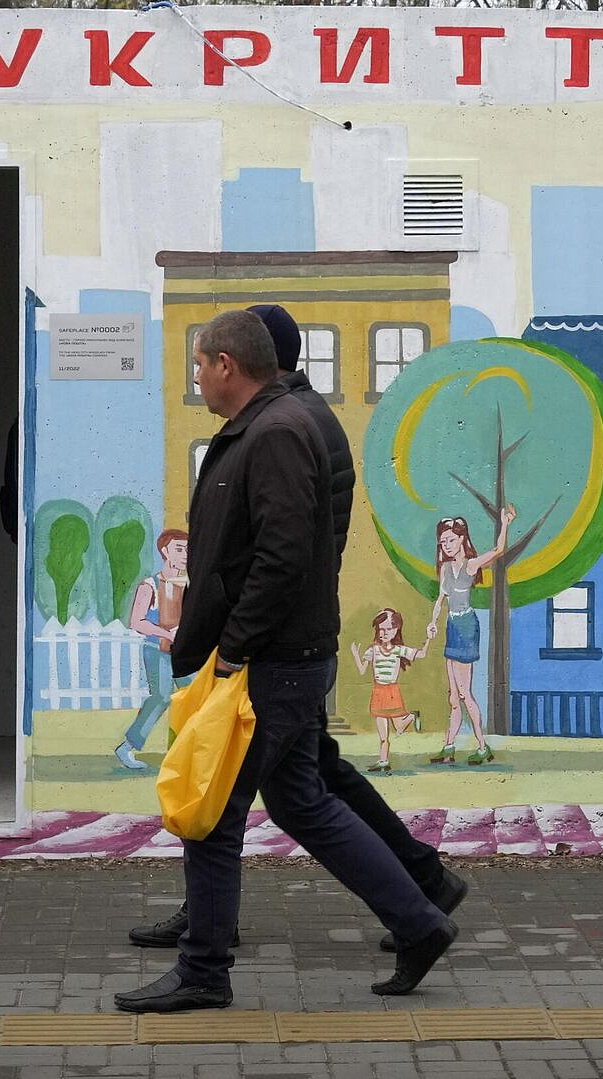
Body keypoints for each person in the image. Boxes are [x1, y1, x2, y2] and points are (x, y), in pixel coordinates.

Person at [114, 310, 456, 1014]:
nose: (196, 377)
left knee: (215, 811)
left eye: (200, 364)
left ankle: (204, 969)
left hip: (274, 659)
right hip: (285, 654)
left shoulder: (274, 433)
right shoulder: (267, 426)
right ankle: (420, 919)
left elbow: (283, 554)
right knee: (302, 799)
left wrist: (235, 646)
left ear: (227, 366)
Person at [426, 510, 514, 765]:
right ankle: (449, 746)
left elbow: (498, 550)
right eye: (443, 542)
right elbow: (440, 599)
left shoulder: (471, 565)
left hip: (466, 626)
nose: (446, 545)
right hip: (452, 625)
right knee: (453, 697)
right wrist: (432, 622)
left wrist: (505, 524)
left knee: (465, 693)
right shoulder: (445, 568)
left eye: (451, 540)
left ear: (462, 539)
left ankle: (482, 746)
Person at [113, 529, 189, 770]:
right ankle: (127, 746)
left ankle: (188, 750)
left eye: (187, 549)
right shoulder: (150, 585)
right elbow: (137, 622)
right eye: (179, 549)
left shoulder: (189, 584)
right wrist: (167, 634)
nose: (185, 554)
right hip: (157, 651)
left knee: (196, 695)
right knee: (160, 697)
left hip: (185, 652)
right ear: (165, 551)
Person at [351, 608, 426, 773]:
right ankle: (383, 761)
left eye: (388, 629)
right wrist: (356, 654)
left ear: (396, 630)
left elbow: (421, 654)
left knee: (399, 729)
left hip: (392, 692)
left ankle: (412, 716)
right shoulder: (373, 650)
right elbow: (362, 670)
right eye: (381, 629)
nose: (384, 633)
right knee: (383, 735)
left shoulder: (398, 650)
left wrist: (428, 638)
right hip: (378, 693)